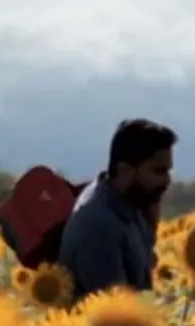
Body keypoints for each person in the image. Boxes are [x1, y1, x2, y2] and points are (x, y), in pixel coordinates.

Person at [58, 118, 175, 300]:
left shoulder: (132, 204)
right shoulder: (98, 226)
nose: (167, 181)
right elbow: (116, 309)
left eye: (169, 171)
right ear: (125, 170)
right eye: (158, 171)